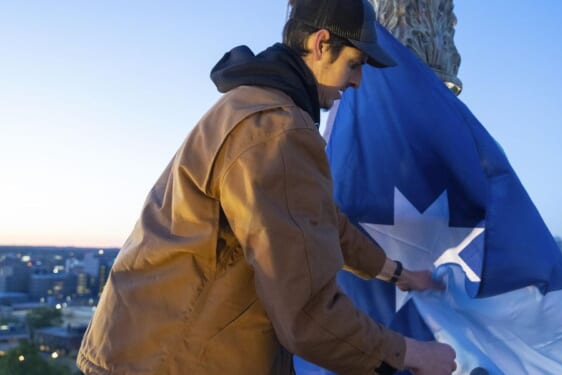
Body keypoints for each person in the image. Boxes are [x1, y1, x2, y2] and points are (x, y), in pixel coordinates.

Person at [76, 0, 457, 374]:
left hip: (144, 351)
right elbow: (307, 314)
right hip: (175, 359)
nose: (357, 81)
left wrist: (396, 273)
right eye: (354, 64)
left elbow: (318, 220)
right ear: (321, 44)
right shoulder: (279, 130)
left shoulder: (251, 106)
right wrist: (409, 353)